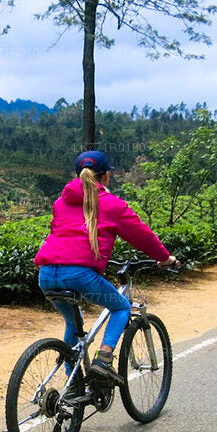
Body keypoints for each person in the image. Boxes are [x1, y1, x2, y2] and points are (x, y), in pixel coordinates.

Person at [34, 150, 178, 386]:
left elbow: (65, 235)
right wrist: (165, 258)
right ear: (106, 176)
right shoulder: (112, 205)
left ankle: (72, 385)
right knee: (121, 306)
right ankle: (103, 360)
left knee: (73, 323)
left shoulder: (61, 202)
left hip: (47, 273)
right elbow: (143, 236)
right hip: (79, 275)